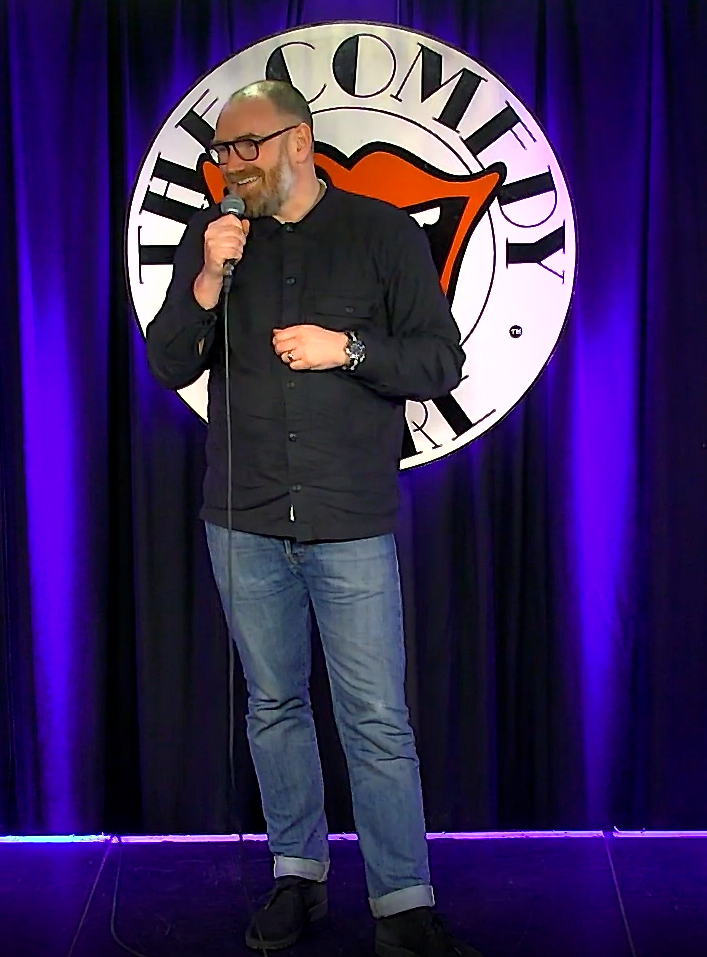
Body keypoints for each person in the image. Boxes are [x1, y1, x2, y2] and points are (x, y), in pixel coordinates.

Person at [146, 80, 481, 957]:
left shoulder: (382, 233)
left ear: (298, 140)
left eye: (244, 147)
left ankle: (401, 901)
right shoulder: (215, 237)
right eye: (219, 152)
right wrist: (208, 279)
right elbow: (168, 360)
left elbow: (439, 360)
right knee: (273, 704)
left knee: (375, 717)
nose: (229, 165)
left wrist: (349, 348)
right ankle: (297, 873)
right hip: (244, 516)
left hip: (348, 516)